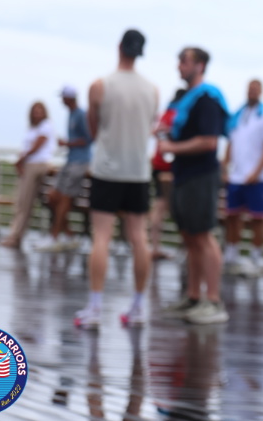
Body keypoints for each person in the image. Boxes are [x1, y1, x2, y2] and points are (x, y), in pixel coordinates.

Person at [75, 29, 159, 330]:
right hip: (138, 172)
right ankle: (138, 307)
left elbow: (94, 130)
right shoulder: (152, 90)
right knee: (139, 238)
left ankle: (95, 308)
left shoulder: (100, 86)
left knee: (102, 237)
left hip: (107, 170)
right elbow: (150, 127)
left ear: (119, 47)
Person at [157, 47, 230, 325]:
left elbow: (210, 142)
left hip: (202, 175)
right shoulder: (186, 100)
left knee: (203, 236)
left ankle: (214, 302)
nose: (179, 66)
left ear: (199, 66)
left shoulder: (207, 99)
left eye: (184, 62)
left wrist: (172, 147)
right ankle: (193, 296)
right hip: (184, 174)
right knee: (189, 236)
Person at [222, 78, 263, 276]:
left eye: (255, 89)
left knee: (259, 219)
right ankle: (231, 255)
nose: (252, 91)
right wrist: (225, 166)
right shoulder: (238, 116)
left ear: (261, 91)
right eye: (250, 88)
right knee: (232, 216)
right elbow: (231, 142)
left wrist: (255, 172)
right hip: (237, 176)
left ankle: (256, 257)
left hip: (259, 178)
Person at [36, 86, 93, 252]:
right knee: (52, 196)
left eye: (63, 97)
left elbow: (88, 139)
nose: (61, 100)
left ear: (70, 98)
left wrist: (67, 143)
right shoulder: (71, 114)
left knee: (64, 199)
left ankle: (54, 237)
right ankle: (69, 235)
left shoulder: (81, 115)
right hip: (70, 161)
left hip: (80, 162)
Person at [0, 101, 57, 249]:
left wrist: (22, 160)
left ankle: (15, 237)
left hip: (36, 165)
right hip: (29, 165)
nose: (37, 113)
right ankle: (15, 235)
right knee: (20, 202)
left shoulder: (46, 126)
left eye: (40, 110)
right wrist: (22, 162)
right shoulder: (33, 128)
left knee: (24, 203)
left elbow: (37, 146)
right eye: (35, 111)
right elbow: (28, 147)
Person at [149, 88, 186, 261]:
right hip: (173, 167)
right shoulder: (180, 115)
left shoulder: (165, 114)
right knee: (179, 208)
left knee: (159, 207)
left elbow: (155, 132)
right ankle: (186, 249)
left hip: (158, 165)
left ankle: (154, 246)